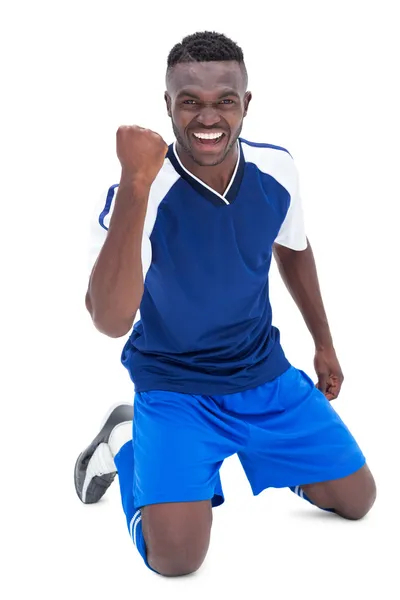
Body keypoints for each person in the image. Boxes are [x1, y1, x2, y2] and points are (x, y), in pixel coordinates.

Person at [75, 31, 376, 577]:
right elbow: (110, 319)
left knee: (358, 501)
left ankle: (256, 448)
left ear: (246, 105)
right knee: (176, 560)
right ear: (167, 105)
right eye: (189, 101)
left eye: (224, 101)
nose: (207, 117)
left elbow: (294, 247)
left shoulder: (276, 169)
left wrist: (324, 343)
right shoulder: (139, 193)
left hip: (263, 375)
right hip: (176, 387)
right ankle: (125, 440)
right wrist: (136, 181)